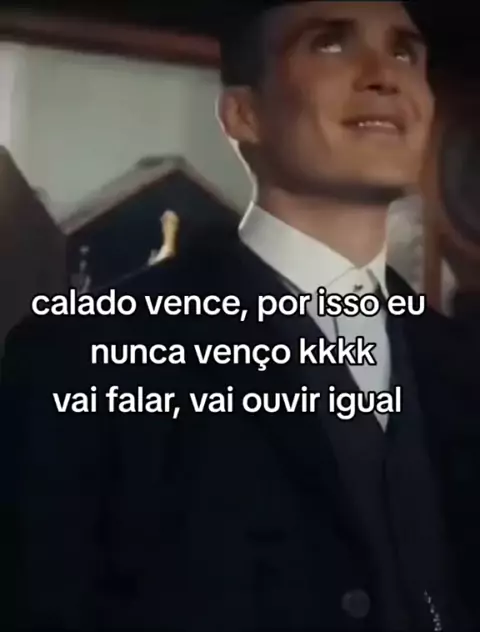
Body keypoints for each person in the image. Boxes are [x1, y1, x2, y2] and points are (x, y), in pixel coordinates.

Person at [1, 1, 479, 630]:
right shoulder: (79, 362)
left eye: (404, 51)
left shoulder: (461, 367)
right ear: (243, 113)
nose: (385, 75)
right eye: (330, 43)